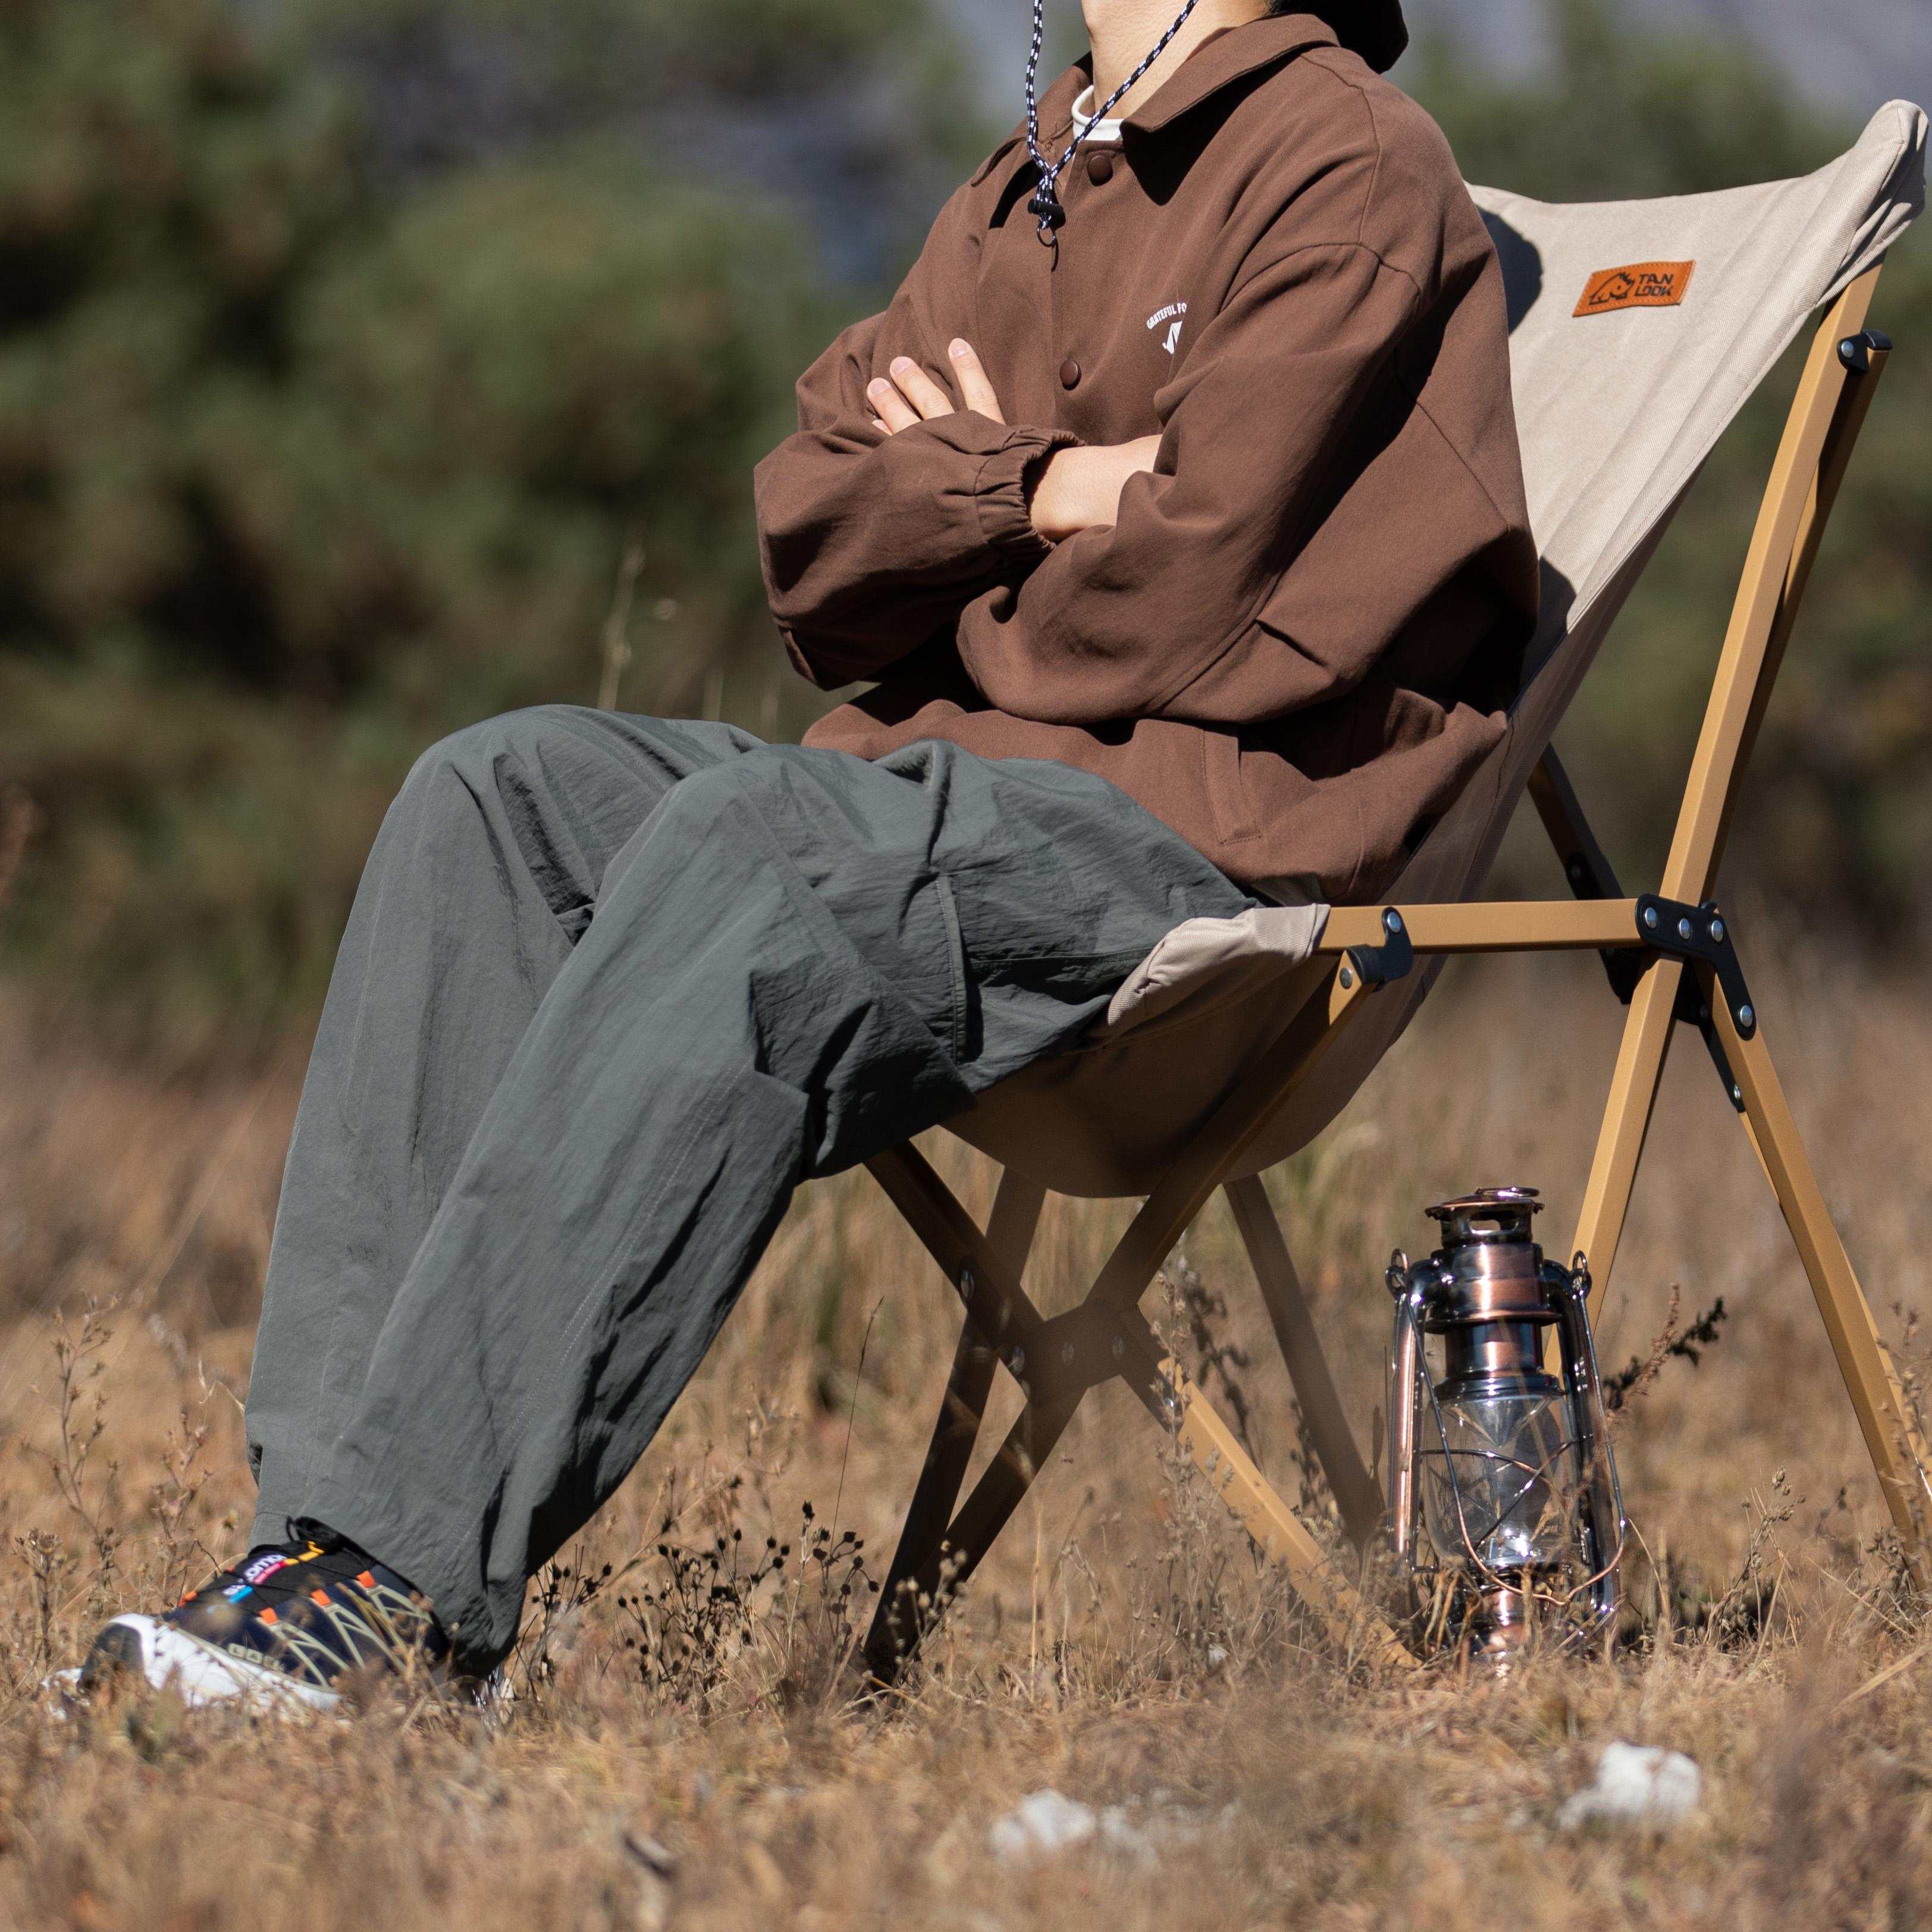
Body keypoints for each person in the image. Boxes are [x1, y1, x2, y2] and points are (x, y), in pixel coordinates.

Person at [81, 0, 1535, 1707]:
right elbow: (814, 551)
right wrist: (1052, 489)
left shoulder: (1343, 159)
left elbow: (1181, 613)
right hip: (932, 802)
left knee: (762, 844)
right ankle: (316, 1561)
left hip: (1190, 857)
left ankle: (391, 1588)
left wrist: (962, 505)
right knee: (494, 797)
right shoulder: (1036, 179)